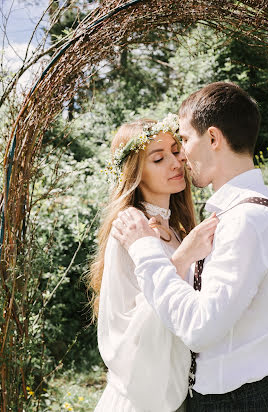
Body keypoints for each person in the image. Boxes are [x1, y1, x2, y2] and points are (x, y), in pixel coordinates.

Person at [112, 82, 268, 411]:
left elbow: (200, 329)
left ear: (213, 138)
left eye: (184, 141)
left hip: (237, 401)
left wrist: (145, 250)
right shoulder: (247, 210)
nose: (181, 156)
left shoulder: (246, 221)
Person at [89, 115, 218, 412]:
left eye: (176, 151)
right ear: (135, 173)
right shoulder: (129, 230)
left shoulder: (174, 228)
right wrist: (183, 257)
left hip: (182, 391)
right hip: (144, 399)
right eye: (158, 159)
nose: (176, 162)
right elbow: (131, 330)